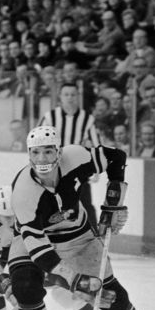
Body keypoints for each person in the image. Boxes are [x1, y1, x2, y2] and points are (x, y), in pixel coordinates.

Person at [8, 125, 155, 310]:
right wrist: (74, 280)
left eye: (48, 151)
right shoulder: (24, 193)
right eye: (36, 153)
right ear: (28, 155)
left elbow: (116, 157)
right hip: (37, 242)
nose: (42, 159)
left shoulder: (76, 157)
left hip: (79, 237)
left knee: (113, 298)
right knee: (25, 287)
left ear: (59, 152)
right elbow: (40, 252)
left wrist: (113, 203)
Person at [38, 82, 101, 230]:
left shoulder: (87, 118)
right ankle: (46, 235)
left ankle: (94, 235)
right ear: (60, 97)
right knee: (49, 203)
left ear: (78, 96)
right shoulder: (50, 117)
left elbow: (97, 145)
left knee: (85, 203)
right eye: (66, 94)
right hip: (53, 169)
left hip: (78, 168)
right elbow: (37, 141)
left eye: (73, 94)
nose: (70, 98)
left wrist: (96, 169)